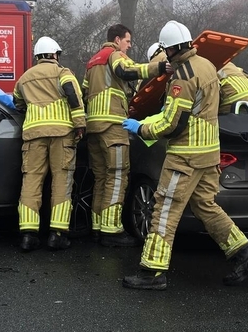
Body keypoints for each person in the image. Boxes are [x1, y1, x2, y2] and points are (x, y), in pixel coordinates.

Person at [121, 20, 248, 290]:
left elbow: (172, 123)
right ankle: (245, 257)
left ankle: (152, 272)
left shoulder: (182, 77)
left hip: (185, 156)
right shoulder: (207, 65)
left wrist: (142, 128)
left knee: (164, 210)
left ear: (169, 49)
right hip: (209, 154)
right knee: (206, 207)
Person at [84, 24, 168, 246]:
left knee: (101, 178)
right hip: (113, 126)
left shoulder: (92, 62)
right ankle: (111, 231)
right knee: (118, 176)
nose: (129, 46)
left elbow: (85, 92)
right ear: (118, 39)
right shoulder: (115, 54)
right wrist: (160, 68)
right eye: (128, 41)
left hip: (93, 127)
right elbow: (126, 71)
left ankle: (97, 227)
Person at [12, 36, 87, 251]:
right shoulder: (63, 73)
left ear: (37, 56)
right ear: (55, 55)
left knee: (31, 181)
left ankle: (28, 235)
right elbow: (73, 95)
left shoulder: (24, 78)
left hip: (33, 136)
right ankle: (57, 234)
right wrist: (80, 124)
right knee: (61, 180)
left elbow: (18, 103)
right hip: (61, 134)